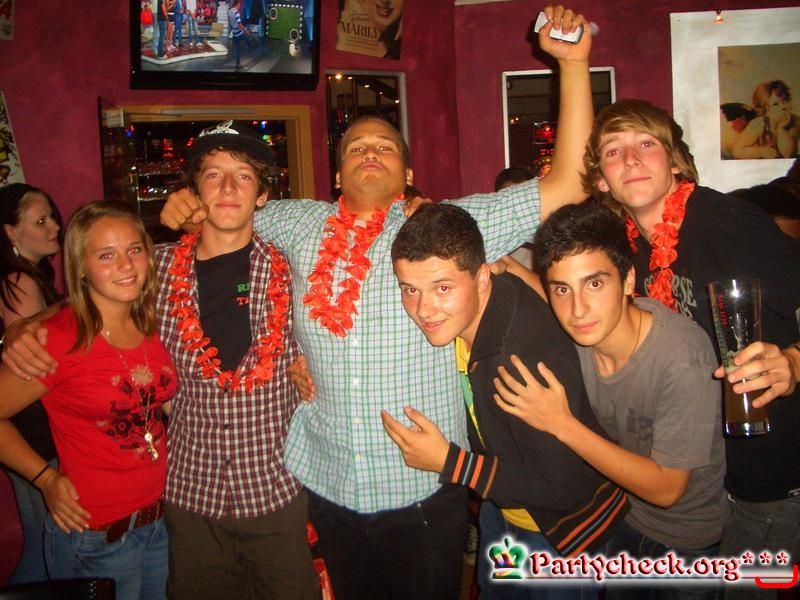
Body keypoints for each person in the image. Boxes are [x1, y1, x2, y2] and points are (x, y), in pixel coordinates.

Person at [6, 6, 595, 599]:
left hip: (419, 484)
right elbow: (221, 215)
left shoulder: (447, 227)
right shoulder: (296, 223)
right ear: (336, 175)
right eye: (356, 147)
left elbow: (569, 182)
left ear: (409, 171)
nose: (370, 152)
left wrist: (573, 64)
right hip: (328, 489)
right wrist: (179, 210)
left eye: (385, 147)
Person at [1, 123, 320, 599]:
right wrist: (28, 324)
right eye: (213, 175)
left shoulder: (296, 268)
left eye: (243, 176)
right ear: (195, 193)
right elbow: (99, 290)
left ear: (262, 195)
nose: (227, 187)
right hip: (189, 499)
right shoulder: (159, 270)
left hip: (275, 492)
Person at [581, 99, 800, 599]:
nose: (630, 159)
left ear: (675, 161)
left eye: (646, 144)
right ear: (601, 180)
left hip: (771, 476)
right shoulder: (629, 246)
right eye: (613, 151)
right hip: (711, 475)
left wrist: (793, 360)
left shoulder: (725, 223)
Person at [384, 203, 630, 599]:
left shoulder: (520, 360)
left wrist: (450, 463)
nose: (423, 309)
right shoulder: (471, 313)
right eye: (409, 289)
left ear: (482, 278)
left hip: (563, 534)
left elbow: (564, 488)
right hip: (504, 508)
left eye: (442, 288)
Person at [495, 201, 728, 599]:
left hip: (685, 543)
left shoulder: (681, 356)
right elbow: (550, 296)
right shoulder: (581, 329)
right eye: (562, 289)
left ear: (628, 280)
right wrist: (510, 266)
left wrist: (561, 423)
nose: (578, 309)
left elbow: (667, 489)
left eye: (595, 284)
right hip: (622, 519)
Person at [0, 201, 177, 599]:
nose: (126, 265)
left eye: (134, 249)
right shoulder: (59, 338)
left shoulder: (153, 319)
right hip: (96, 537)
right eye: (106, 255)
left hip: (159, 522)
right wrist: (45, 479)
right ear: (81, 266)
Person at [0, 183, 62, 584]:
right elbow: (33, 363)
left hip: (23, 429)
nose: (54, 226)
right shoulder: (21, 281)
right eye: (41, 221)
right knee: (49, 549)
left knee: (41, 544)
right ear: (11, 232)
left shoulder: (24, 277)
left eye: (51, 216)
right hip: (33, 430)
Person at [732, 80, 800, 159]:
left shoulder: (794, 121)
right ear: (765, 111)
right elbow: (737, 151)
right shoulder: (759, 124)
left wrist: (781, 129)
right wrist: (761, 152)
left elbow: (787, 154)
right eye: (776, 104)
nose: (783, 106)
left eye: (784, 100)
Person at [494, 166, 537, 269]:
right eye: (510, 202)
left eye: (523, 200)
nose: (517, 209)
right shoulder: (492, 244)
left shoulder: (544, 242)